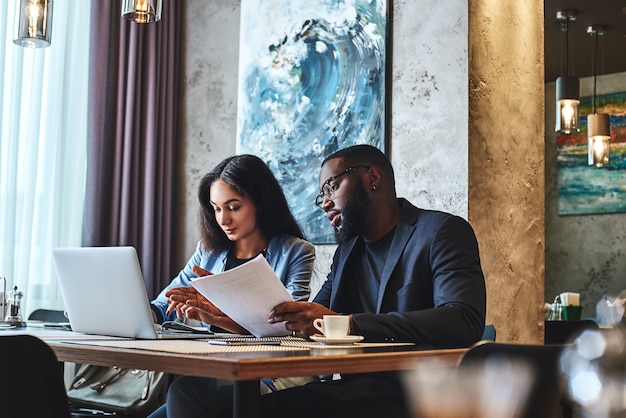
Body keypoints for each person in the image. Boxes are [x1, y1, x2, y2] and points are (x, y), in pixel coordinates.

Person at [164, 144, 487, 418]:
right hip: (351, 387)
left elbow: (463, 318)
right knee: (192, 393)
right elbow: (307, 317)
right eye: (321, 196)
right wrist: (225, 309)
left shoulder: (440, 231)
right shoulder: (349, 250)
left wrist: (349, 325)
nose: (326, 203)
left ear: (372, 178)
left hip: (414, 392)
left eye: (331, 187)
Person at [147, 154, 315, 417]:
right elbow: (168, 298)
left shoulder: (295, 252)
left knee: (183, 392)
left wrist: (218, 314)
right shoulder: (209, 252)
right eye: (216, 208)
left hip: (273, 375)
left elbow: (287, 330)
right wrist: (145, 314)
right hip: (221, 371)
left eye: (233, 207)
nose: (223, 219)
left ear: (260, 202)